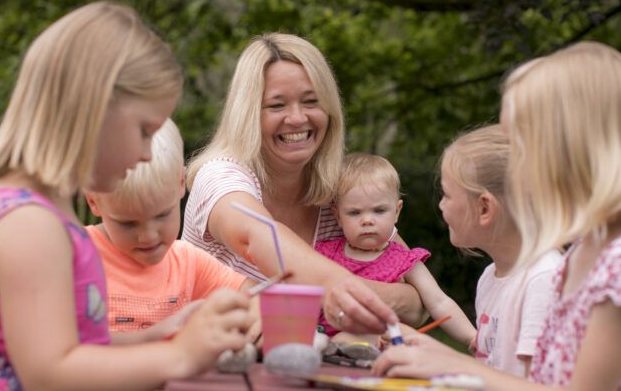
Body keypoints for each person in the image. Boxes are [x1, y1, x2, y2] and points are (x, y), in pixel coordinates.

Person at [0, 1, 253, 391]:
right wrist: (179, 355)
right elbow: (50, 373)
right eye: (144, 130)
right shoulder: (30, 227)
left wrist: (148, 339)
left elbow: (67, 341)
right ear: (93, 112)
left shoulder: (39, 210)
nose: (146, 154)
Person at [373, 41, 621, 391]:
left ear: (576, 150)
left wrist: (453, 364)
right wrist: (438, 357)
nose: (510, 164)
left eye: (519, 145)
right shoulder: (581, 254)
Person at [183, 32, 424, 333]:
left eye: (311, 101)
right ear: (247, 114)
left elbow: (417, 302)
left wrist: (331, 292)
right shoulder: (219, 176)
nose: (297, 118)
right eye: (276, 105)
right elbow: (256, 238)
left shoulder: (341, 193)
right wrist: (347, 291)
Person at [84, 118, 257, 344]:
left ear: (180, 183)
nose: (148, 236)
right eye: (128, 223)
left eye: (162, 216)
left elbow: (255, 297)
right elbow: (62, 343)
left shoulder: (188, 262)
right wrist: (149, 337)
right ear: (93, 200)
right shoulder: (76, 254)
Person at [436, 124, 562, 376]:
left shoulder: (543, 280)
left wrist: (443, 361)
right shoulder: (490, 278)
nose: (441, 205)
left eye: (447, 195)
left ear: (484, 209)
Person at [314, 153, 476, 348]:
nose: (367, 220)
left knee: (398, 336)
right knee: (339, 340)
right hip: (327, 345)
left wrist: (471, 338)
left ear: (397, 211)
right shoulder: (324, 254)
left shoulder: (404, 260)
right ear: (338, 217)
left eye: (379, 211)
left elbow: (439, 301)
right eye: (355, 213)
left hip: (386, 344)